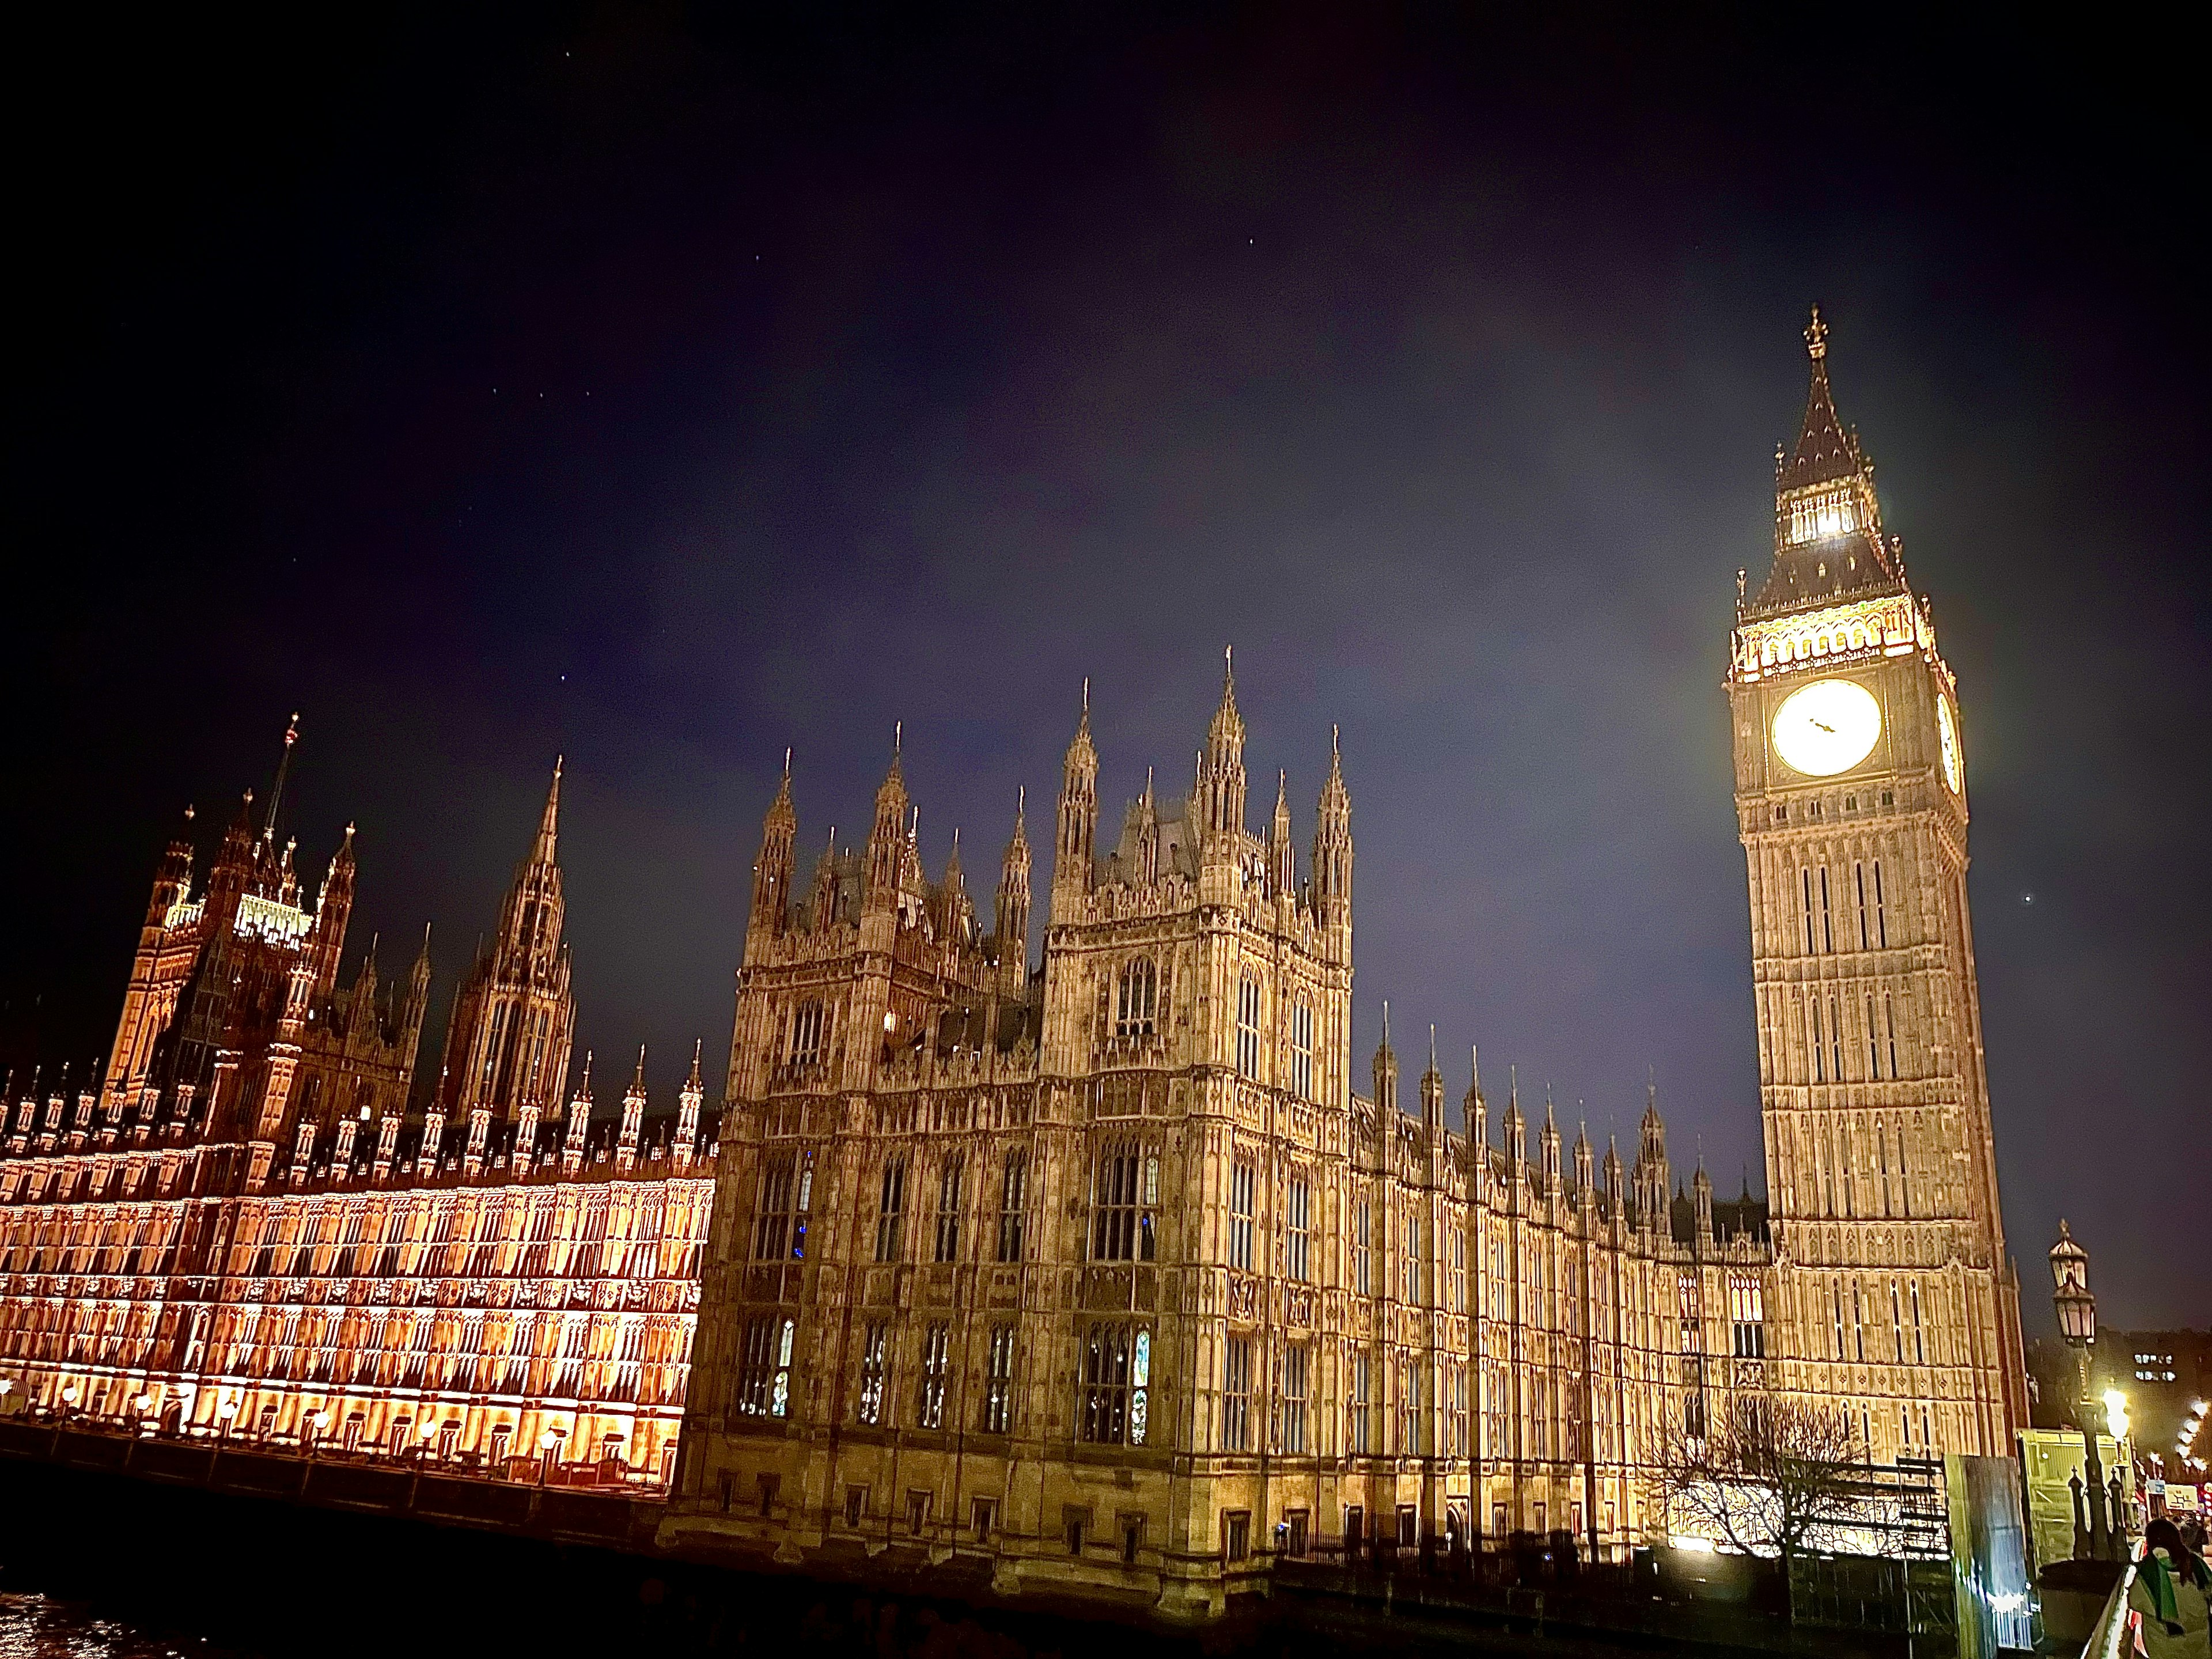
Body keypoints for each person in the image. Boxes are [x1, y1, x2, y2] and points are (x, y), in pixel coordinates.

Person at [2128, 1518, 2211, 1659]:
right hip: (2199, 1643)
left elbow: (2135, 1602)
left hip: (2164, 1645)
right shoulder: (2194, 1563)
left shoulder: (2147, 1571)